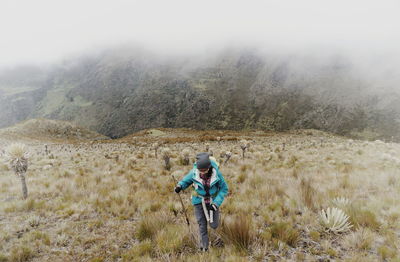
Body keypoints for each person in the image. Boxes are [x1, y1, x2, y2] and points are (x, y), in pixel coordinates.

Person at [174, 152, 229, 251]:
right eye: (200, 170)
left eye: (205, 170)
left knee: (214, 225)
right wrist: (180, 186)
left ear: (209, 167)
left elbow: (224, 189)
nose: (202, 172)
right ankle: (204, 247)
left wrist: (216, 203)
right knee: (202, 225)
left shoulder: (217, 174)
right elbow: (186, 181)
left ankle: (212, 229)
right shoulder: (194, 172)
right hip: (199, 201)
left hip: (213, 201)